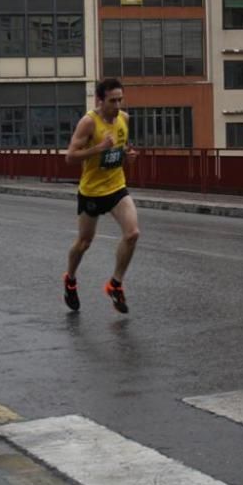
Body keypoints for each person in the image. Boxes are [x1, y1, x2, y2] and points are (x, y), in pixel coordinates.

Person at [63, 78, 140, 314]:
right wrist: (98, 149)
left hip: (117, 187)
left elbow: (123, 146)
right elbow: (70, 157)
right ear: (100, 100)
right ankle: (70, 279)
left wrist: (129, 155)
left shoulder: (124, 119)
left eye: (120, 99)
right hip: (92, 192)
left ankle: (115, 284)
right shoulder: (88, 123)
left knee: (133, 234)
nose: (117, 105)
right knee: (84, 243)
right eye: (112, 101)